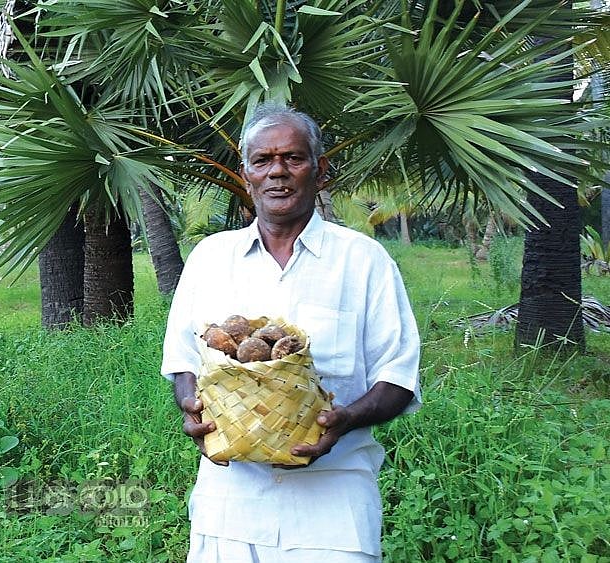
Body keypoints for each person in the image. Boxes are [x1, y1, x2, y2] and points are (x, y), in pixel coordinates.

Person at [161, 103, 421, 563]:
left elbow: (398, 378)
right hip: (229, 504)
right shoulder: (210, 258)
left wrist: (345, 420)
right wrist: (191, 408)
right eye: (262, 160)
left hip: (334, 506)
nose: (277, 172)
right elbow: (184, 361)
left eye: (293, 158)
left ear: (320, 171)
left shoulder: (363, 261)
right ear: (247, 175)